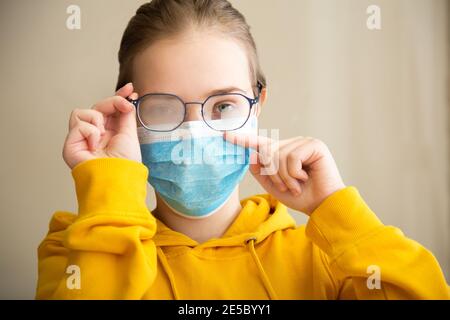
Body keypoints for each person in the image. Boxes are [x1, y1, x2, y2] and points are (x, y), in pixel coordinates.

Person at [36, 0, 449, 299]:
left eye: (223, 105)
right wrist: (109, 184)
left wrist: (336, 210)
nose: (195, 133)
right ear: (128, 113)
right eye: (163, 108)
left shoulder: (328, 256)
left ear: (258, 105)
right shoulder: (77, 247)